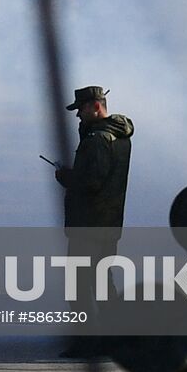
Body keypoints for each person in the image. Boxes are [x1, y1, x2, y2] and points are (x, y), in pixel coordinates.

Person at [53, 85, 134, 357]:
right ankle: (112, 338)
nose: (78, 117)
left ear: (96, 106)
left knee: (78, 284)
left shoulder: (98, 140)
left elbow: (92, 182)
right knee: (102, 283)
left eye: (82, 110)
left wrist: (67, 178)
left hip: (89, 224)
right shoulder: (118, 136)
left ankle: (87, 341)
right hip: (107, 223)